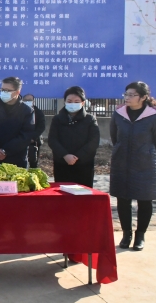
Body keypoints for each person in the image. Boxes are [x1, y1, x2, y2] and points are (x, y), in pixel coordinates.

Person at [110, 81, 156, 251]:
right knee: (123, 199)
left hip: (145, 164)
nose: (127, 98)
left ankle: (140, 235)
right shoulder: (118, 114)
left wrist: (146, 153)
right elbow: (115, 137)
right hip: (121, 163)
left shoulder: (152, 115)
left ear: (143, 97)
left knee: (144, 200)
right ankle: (126, 234)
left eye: (132, 95)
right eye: (126, 94)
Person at [47, 86, 100, 188]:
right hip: (62, 164)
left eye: (76, 101)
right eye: (69, 101)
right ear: (65, 102)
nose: (72, 104)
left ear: (83, 103)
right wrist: (65, 155)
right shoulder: (57, 119)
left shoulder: (90, 119)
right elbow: (52, 140)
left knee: (83, 194)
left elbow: (94, 141)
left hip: (84, 165)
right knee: (62, 193)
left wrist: (77, 156)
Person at [0, 76, 35, 168]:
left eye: (7, 90)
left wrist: (6, 151)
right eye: (2, 90)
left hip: (17, 160)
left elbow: (26, 135)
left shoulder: (27, 111)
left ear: (17, 92)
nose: (3, 92)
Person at [22, 93, 46, 169]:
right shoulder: (18, 111)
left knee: (33, 163)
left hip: (34, 142)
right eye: (25, 100)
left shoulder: (38, 112)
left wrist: (33, 138)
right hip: (21, 141)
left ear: (33, 101)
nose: (27, 102)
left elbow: (41, 127)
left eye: (29, 100)